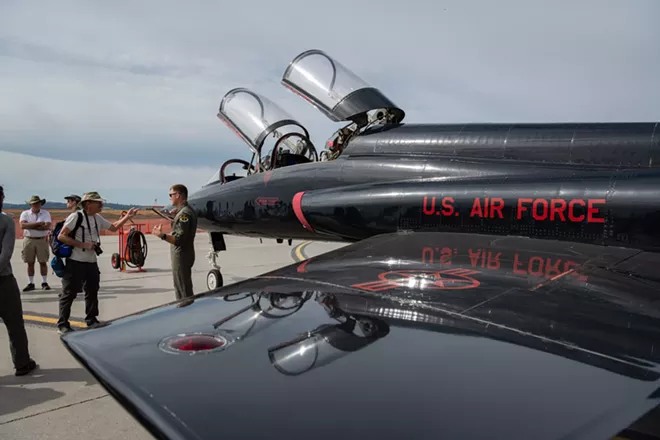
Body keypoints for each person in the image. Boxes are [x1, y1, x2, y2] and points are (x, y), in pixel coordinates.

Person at [56, 191, 138, 334]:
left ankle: (91, 319)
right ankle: (63, 324)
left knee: (92, 290)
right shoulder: (76, 217)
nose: (101, 205)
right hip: (75, 261)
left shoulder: (97, 218)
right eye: (98, 202)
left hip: (91, 261)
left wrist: (127, 217)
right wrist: (82, 245)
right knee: (69, 293)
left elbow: (113, 227)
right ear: (88, 204)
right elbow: (62, 236)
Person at [0, 185, 38, 376]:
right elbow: (5, 254)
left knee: (16, 325)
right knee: (14, 324)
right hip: (3, 280)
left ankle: (23, 362)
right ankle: (22, 363)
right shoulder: (5, 221)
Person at [152, 184, 197, 300]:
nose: (170, 197)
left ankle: (186, 315)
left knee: (183, 291)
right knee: (183, 287)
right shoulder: (185, 211)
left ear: (178, 195)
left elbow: (179, 239)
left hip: (181, 255)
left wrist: (161, 235)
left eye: (171, 195)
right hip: (185, 254)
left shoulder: (184, 214)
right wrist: (175, 216)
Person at [19, 195, 52, 291]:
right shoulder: (25, 213)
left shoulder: (45, 213)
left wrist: (30, 225)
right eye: (33, 204)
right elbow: (22, 225)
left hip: (41, 239)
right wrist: (38, 224)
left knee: (43, 261)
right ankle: (31, 283)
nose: (36, 205)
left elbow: (47, 226)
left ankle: (44, 282)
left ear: (40, 204)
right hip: (29, 239)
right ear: (30, 204)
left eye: (37, 203)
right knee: (30, 262)